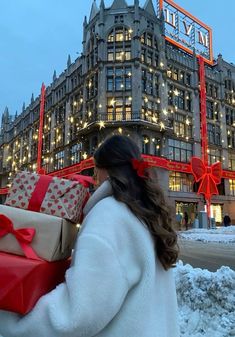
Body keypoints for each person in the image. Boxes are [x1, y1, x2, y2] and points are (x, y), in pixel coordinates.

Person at [0, 135, 180, 337]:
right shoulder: (144, 214)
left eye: (95, 169)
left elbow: (77, 314)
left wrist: (12, 323)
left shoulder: (109, 216)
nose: (94, 177)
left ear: (104, 169)